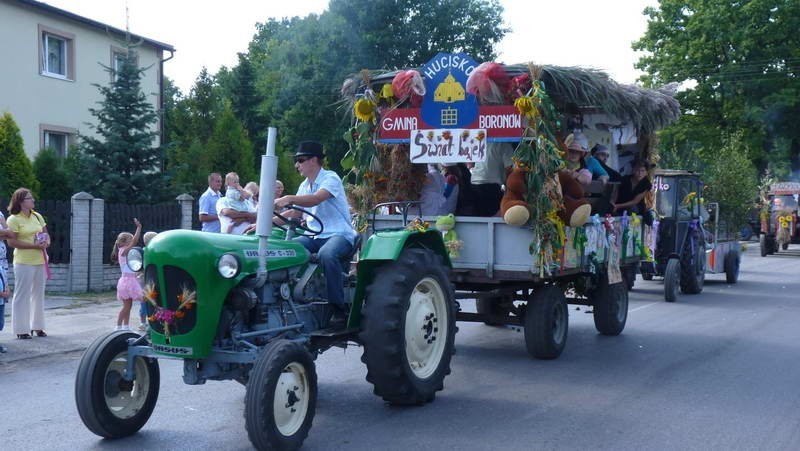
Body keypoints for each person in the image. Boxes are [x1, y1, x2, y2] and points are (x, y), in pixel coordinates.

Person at [274, 141, 357, 327]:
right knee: (286, 249)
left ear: (314, 160)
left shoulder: (331, 178)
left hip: (339, 234)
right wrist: (261, 222)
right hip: (314, 237)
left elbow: (316, 199)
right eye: (297, 161)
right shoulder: (304, 185)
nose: (297, 165)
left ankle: (338, 309)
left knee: (327, 254)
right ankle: (288, 299)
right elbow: (294, 213)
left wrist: (288, 198)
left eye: (300, 160)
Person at [6, 188, 50, 339]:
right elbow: (11, 242)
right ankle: (21, 330)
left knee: (38, 294)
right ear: (20, 201)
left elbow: (46, 233)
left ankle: (38, 327)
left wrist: (46, 242)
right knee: (22, 295)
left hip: (41, 260)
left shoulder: (37, 216)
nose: (33, 200)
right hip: (24, 261)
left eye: (32, 198)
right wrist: (34, 246)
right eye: (29, 198)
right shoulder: (13, 219)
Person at [111, 218, 143, 331]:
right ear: (124, 242)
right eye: (130, 239)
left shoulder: (126, 251)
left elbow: (134, 243)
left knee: (128, 306)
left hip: (129, 280)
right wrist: (139, 228)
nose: (133, 241)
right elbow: (135, 241)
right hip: (127, 281)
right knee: (126, 307)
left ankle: (126, 327)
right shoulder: (123, 251)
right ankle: (118, 326)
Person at [470, 142, 514, 216]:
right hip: (491, 185)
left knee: (478, 216)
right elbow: (509, 169)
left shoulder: (482, 142)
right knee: (493, 217)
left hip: (474, 182)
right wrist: (508, 187)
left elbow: (471, 164)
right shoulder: (505, 145)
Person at [137, 231, 158, 331]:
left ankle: (143, 322)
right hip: (148, 280)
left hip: (142, 280)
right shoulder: (152, 251)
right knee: (150, 302)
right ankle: (149, 322)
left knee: (144, 303)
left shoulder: (142, 251)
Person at [0, 213, 12, 352]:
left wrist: (4, 232)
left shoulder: (0, 214)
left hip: (2, 263)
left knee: (2, 302)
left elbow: (11, 234)